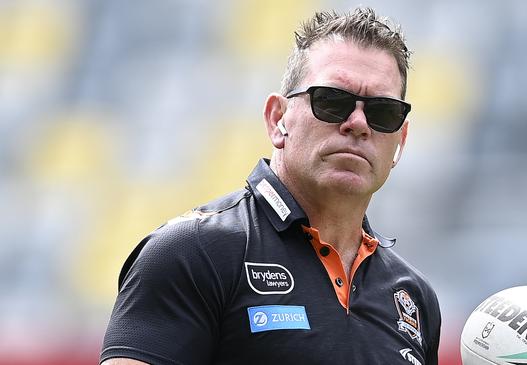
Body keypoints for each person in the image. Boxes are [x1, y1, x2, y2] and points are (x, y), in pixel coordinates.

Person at [100, 7, 441, 365]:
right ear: (278, 119)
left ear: (400, 139)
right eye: (332, 101)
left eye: (383, 112)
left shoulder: (414, 298)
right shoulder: (191, 251)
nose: (357, 123)